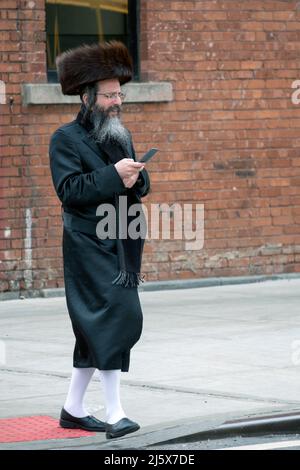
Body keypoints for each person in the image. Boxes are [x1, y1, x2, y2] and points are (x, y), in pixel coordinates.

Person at [49, 41, 150, 439]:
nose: (116, 101)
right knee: (114, 320)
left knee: (95, 327)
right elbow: (69, 191)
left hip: (122, 239)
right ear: (87, 96)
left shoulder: (119, 135)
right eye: (109, 94)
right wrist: (114, 176)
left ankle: (73, 408)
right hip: (87, 243)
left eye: (119, 93)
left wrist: (136, 175)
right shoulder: (65, 138)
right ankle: (115, 413)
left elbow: (138, 186)